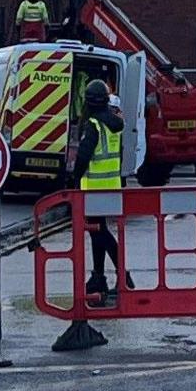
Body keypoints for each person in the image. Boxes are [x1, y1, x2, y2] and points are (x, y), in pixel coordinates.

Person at [70, 80, 130, 304]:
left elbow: (84, 156)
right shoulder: (116, 124)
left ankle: (122, 274)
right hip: (111, 186)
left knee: (100, 234)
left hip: (93, 189)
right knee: (98, 232)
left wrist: (75, 180)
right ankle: (99, 276)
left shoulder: (94, 125)